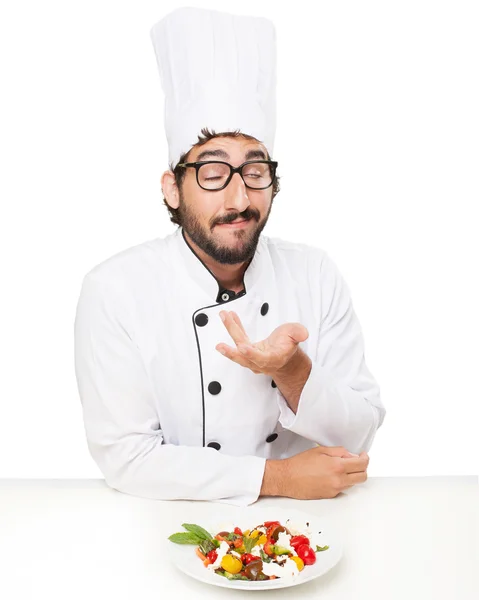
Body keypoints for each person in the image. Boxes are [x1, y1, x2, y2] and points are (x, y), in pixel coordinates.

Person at [74, 7, 385, 507]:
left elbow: (360, 437)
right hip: (168, 533)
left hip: (304, 537)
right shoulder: (116, 290)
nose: (239, 199)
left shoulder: (315, 274)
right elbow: (126, 458)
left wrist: (293, 371)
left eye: (255, 169)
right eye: (213, 171)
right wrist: (278, 479)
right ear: (172, 188)